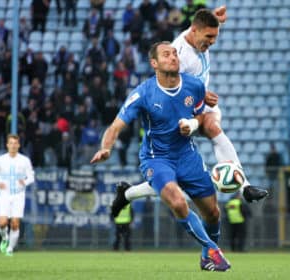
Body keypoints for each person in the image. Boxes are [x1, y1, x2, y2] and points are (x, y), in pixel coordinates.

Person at [111, 7, 268, 220]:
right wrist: (199, 101)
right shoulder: (181, 56)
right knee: (174, 180)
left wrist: (215, 19)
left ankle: (245, 187)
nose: (212, 42)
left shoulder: (196, 36)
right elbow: (171, 88)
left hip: (198, 103)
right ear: (196, 32)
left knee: (212, 128)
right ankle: (128, 193)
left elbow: (201, 24)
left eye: (215, 36)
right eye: (209, 37)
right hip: (178, 110)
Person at [90, 41, 230, 271]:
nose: (173, 57)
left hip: (188, 156)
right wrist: (106, 148)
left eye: (175, 53)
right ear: (154, 63)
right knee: (177, 201)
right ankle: (214, 251)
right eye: (166, 54)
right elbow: (115, 127)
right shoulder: (144, 93)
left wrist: (193, 125)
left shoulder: (194, 86)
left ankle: (207, 257)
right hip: (158, 158)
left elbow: (202, 118)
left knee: (213, 213)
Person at [0, 134, 35, 256]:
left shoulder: (25, 160)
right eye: (11, 143)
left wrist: (24, 182)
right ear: (7, 145)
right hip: (4, 195)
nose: (13, 146)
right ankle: (4, 238)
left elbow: (31, 177)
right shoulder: (0, 160)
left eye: (15, 143)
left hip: (18, 196)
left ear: (19, 145)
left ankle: (10, 249)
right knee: (3, 223)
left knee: (15, 223)